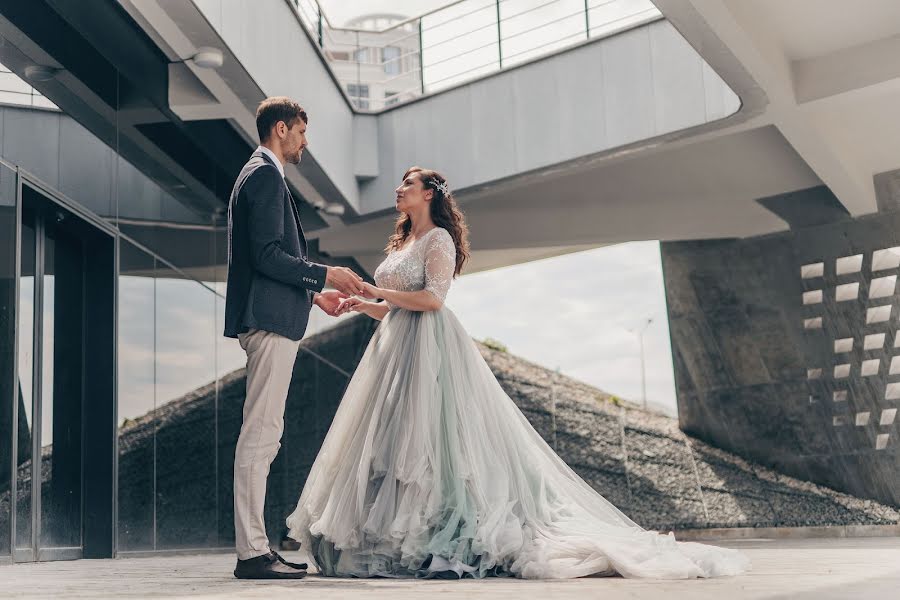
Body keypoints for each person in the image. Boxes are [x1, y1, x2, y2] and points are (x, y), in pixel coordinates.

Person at [285, 166, 751, 580]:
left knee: (433, 441)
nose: (398, 190)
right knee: (394, 444)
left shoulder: (438, 240)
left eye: (408, 184)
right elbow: (393, 310)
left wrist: (368, 286)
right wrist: (362, 302)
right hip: (394, 351)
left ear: (430, 194)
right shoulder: (403, 241)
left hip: (431, 349)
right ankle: (392, 537)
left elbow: (432, 301)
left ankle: (440, 534)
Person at [224, 96, 364, 579]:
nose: (305, 142)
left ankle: (256, 547)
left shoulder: (259, 174)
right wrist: (325, 275)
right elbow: (266, 256)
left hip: (274, 314)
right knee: (260, 436)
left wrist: (314, 297)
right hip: (268, 321)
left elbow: (265, 260)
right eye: (302, 132)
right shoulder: (263, 175)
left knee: (264, 434)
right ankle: (252, 553)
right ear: (281, 129)